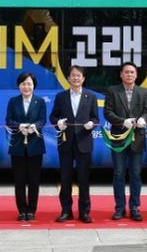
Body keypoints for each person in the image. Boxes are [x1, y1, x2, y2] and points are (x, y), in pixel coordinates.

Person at [49, 65, 99, 223]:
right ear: (68, 78)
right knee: (65, 178)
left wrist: (92, 124)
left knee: (84, 179)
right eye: (73, 75)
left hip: (84, 142)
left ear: (83, 78)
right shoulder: (61, 96)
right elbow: (53, 116)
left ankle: (84, 212)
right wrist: (59, 123)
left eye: (79, 75)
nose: (76, 78)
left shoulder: (91, 96)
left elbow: (96, 118)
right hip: (66, 142)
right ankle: (66, 211)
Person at [104, 61, 147, 222]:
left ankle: (134, 207)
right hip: (118, 138)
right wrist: (122, 121)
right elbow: (107, 112)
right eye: (126, 72)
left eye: (132, 72)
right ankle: (119, 208)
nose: (129, 75)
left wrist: (144, 119)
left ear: (136, 75)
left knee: (136, 173)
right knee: (118, 173)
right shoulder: (112, 91)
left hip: (137, 139)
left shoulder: (143, 92)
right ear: (121, 74)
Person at [5, 72, 46, 221]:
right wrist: (19, 126)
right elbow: (9, 120)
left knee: (34, 180)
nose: (26, 87)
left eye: (29, 84)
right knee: (19, 180)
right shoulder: (13, 101)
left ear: (34, 86)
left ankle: (32, 210)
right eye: (23, 84)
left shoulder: (40, 101)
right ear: (19, 86)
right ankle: (22, 210)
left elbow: (42, 120)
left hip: (35, 145)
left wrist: (35, 126)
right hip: (17, 146)